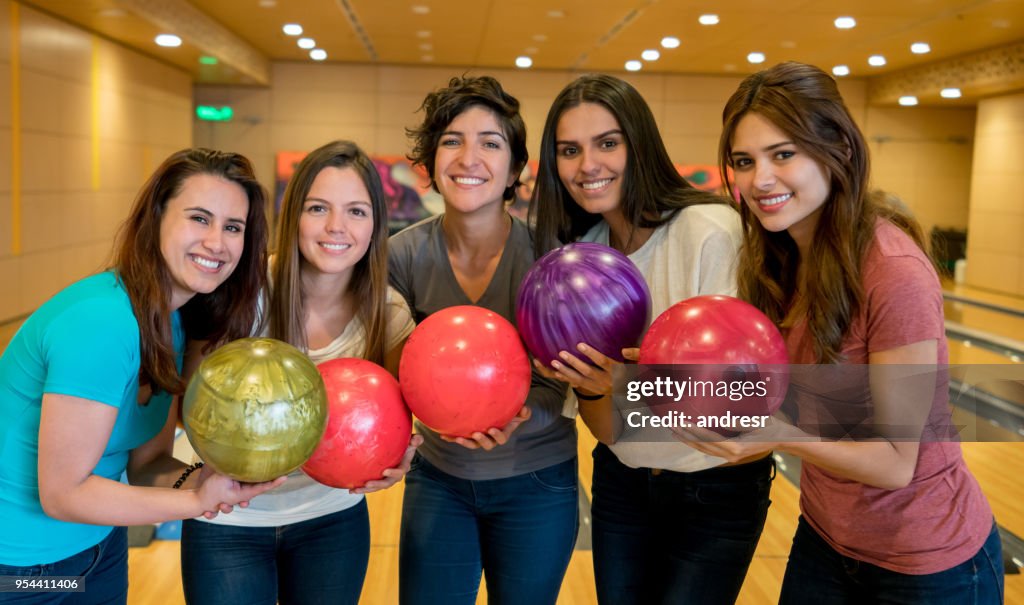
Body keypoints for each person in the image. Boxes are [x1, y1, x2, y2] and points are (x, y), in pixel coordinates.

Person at [681, 61, 1001, 604]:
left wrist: (777, 435)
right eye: (744, 160)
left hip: (925, 565)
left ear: (840, 150)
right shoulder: (777, 260)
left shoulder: (891, 270)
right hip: (828, 540)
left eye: (784, 154)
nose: (760, 179)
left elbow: (898, 461)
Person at [529, 73, 773, 605]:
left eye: (608, 143)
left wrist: (625, 384)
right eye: (569, 150)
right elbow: (611, 431)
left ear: (640, 144)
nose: (588, 165)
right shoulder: (584, 257)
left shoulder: (710, 231)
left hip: (717, 488)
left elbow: (739, 402)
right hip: (623, 484)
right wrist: (597, 389)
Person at [0, 149, 283, 604]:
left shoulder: (172, 321)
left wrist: (212, 480)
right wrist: (197, 501)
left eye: (233, 227)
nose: (217, 241)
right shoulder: (102, 322)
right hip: (17, 571)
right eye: (199, 218)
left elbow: (147, 466)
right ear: (156, 219)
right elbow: (63, 495)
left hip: (97, 548)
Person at [179, 140, 419, 605]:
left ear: (376, 225)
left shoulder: (387, 313)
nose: (336, 227)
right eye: (318, 208)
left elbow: (401, 418)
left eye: (355, 211)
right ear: (294, 217)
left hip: (332, 521)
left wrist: (401, 457)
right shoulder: (240, 295)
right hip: (228, 519)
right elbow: (188, 406)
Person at [390, 76, 578, 605]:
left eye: (490, 143)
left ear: (515, 168)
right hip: (439, 478)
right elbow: (390, 371)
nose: (468, 157)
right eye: (452, 140)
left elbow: (568, 383)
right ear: (428, 163)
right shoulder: (400, 257)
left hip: (536, 481)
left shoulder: (551, 259)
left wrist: (515, 417)